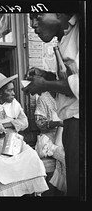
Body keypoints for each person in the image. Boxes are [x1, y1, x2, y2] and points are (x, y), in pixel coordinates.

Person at [22, 13, 79, 197]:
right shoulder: (64, 38)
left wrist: (45, 85)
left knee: (79, 184)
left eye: (37, 16)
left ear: (58, 12)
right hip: (69, 123)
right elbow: (69, 79)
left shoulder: (80, 31)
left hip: (79, 119)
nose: (32, 25)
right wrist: (47, 76)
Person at [0, 72, 49, 196]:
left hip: (16, 140)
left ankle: (30, 192)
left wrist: (5, 124)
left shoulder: (14, 104)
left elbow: (25, 122)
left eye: (13, 90)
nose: (13, 93)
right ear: (0, 93)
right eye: (9, 91)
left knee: (31, 155)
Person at [34, 72, 66, 194]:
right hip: (48, 139)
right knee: (65, 157)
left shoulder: (63, 97)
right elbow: (40, 123)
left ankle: (61, 190)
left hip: (63, 136)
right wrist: (57, 123)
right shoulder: (43, 99)